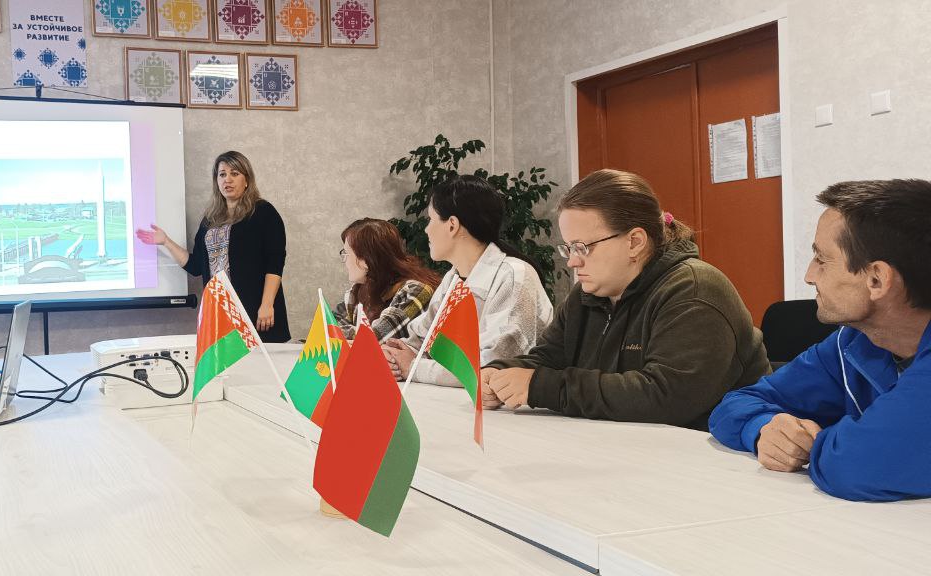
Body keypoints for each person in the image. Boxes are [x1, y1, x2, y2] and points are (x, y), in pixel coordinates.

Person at [482, 169, 770, 430]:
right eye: (568, 248)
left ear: (635, 242)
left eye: (582, 247)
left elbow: (666, 397)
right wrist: (499, 374)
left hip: (709, 458)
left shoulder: (695, 290)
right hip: (624, 447)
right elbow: (547, 359)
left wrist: (542, 387)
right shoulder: (586, 295)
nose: (572, 262)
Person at [709, 179, 931, 502]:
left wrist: (819, 442)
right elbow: (734, 405)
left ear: (876, 279)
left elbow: (854, 465)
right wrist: (764, 429)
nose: (809, 276)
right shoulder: (853, 343)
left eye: (821, 260)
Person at [382, 175, 553, 387]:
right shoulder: (453, 277)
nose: (426, 229)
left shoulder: (514, 275)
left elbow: (491, 365)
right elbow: (420, 340)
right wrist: (394, 356)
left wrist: (413, 367)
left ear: (452, 225)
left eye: (430, 219)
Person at [136, 151, 290, 342]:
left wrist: (267, 304)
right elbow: (195, 266)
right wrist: (166, 241)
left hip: (256, 311)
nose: (228, 180)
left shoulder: (263, 212)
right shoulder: (210, 220)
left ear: (247, 180)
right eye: (222, 174)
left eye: (235, 173)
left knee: (260, 360)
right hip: (220, 314)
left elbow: (275, 262)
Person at [334, 218, 441, 341]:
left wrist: (334, 332)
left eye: (346, 254)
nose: (344, 261)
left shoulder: (415, 291)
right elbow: (329, 324)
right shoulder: (357, 291)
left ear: (366, 260)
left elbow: (373, 338)